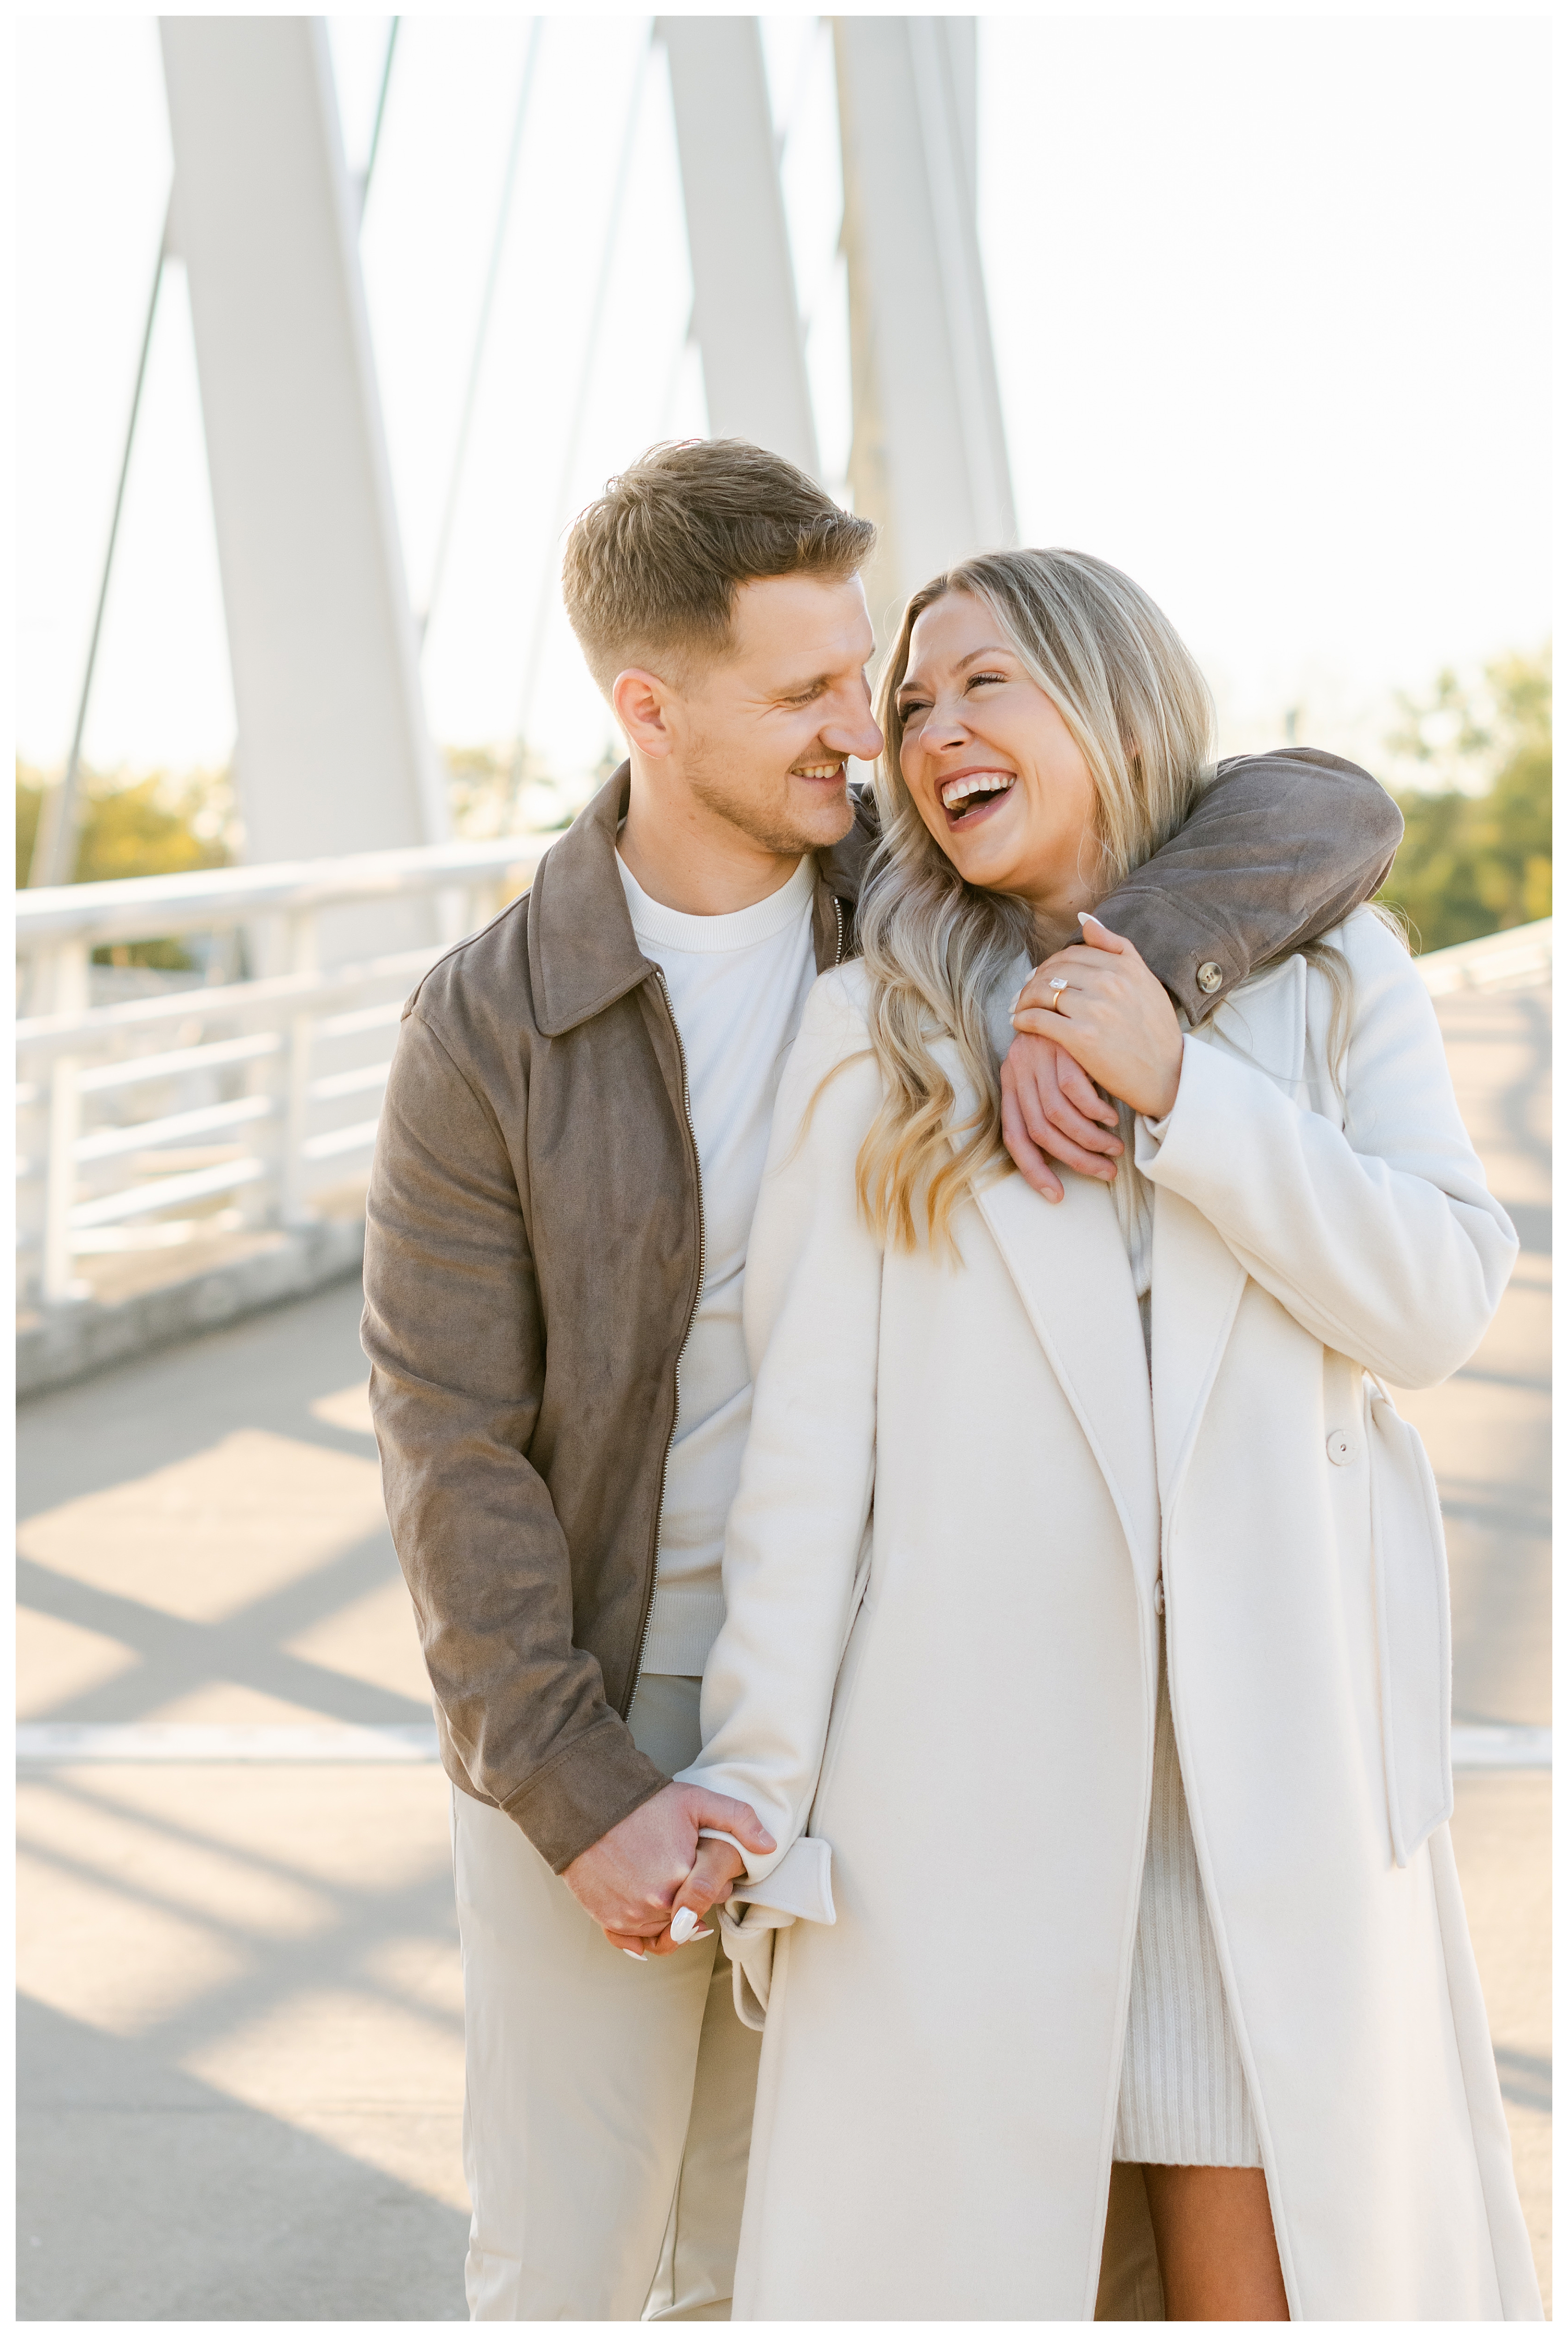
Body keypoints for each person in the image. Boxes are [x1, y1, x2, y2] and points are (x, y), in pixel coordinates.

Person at [361, 441, 1405, 2322]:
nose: (865, 730)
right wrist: (576, 1779)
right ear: (648, 708)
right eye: (811, 692)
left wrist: (1122, 981)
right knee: (573, 2262)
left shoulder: (908, 913)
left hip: (869, 1712)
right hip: (583, 1683)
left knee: (824, 2255)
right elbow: (447, 1449)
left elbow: (1314, 806)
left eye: (876, 675)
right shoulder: (491, 1018)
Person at [663, 546, 1541, 2320]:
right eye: (911, 704)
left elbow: (1436, 1298)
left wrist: (1181, 1086)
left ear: (1104, 697)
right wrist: (755, 1781)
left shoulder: (1328, 975)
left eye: (981, 682)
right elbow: (808, 1461)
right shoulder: (874, 1029)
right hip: (967, 1803)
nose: (929, 732)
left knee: (1267, 2287)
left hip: (1267, 1802)